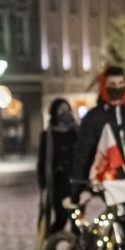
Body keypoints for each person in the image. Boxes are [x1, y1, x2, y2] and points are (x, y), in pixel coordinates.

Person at [72, 64, 125, 199]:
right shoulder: (93, 118)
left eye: (121, 83)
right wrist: (79, 191)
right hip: (109, 188)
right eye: (112, 84)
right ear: (104, 86)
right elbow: (83, 154)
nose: (117, 88)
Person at [37, 98, 78, 240]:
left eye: (67, 109)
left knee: (77, 221)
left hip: (74, 182)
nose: (64, 113)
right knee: (61, 217)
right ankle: (50, 248)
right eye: (61, 110)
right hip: (58, 183)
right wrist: (43, 184)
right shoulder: (48, 135)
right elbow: (42, 161)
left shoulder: (75, 132)